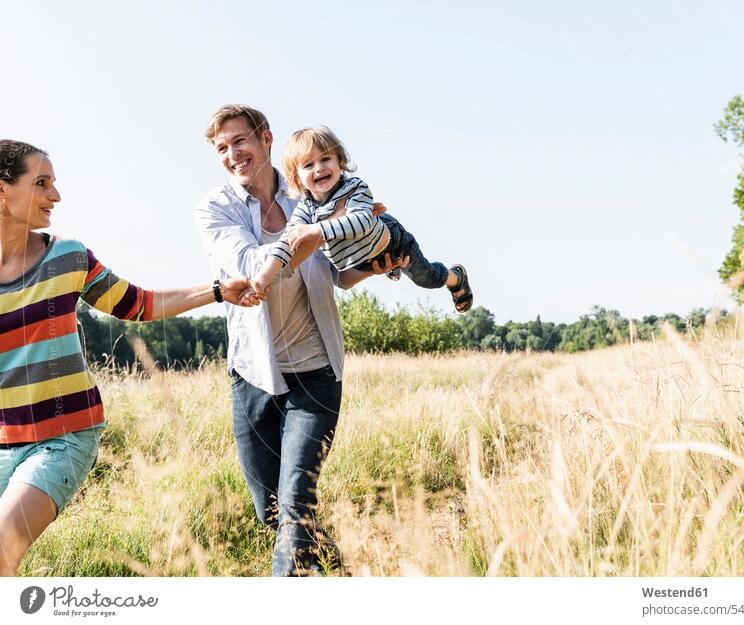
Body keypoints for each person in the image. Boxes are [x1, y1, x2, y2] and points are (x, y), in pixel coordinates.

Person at [0, 140, 262, 576]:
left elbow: (139, 305)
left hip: (64, 437)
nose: (56, 196)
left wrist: (216, 290)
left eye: (54, 184)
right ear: (3, 190)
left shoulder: (67, 257)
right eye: (41, 183)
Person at [194, 105, 413, 576]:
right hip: (253, 374)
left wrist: (374, 262)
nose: (233, 155)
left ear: (266, 138)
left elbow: (339, 274)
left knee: (294, 502)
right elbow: (253, 268)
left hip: (315, 372)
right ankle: (334, 569)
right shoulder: (215, 209)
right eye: (222, 148)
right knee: (270, 510)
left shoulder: (311, 196)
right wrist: (319, 231)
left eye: (240, 141)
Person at [252, 125, 473, 313]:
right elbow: (286, 243)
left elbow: (362, 222)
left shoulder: (354, 188)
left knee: (427, 279)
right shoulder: (305, 209)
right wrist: (264, 276)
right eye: (308, 165)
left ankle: (456, 278)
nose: (319, 168)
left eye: (326, 159)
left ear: (340, 162)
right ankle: (390, 268)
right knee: (381, 265)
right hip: (362, 259)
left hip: (393, 241)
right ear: (296, 178)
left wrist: (316, 230)